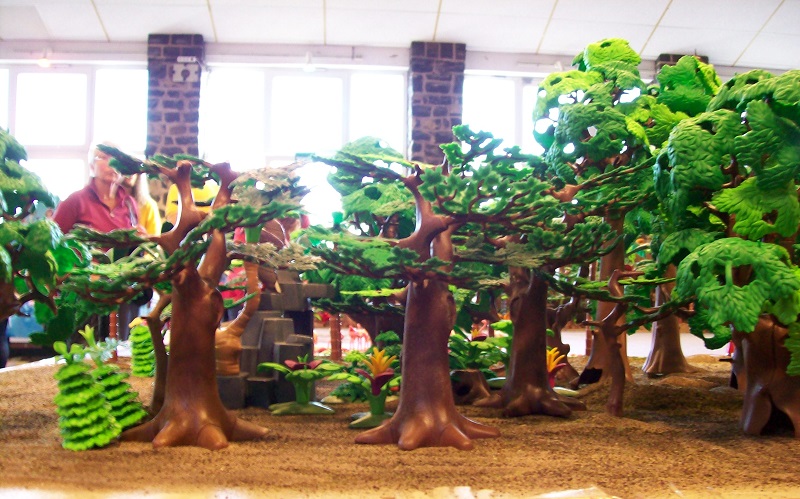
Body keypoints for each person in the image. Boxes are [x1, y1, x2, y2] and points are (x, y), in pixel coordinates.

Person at [52, 142, 141, 341]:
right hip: (85, 293)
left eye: (115, 158)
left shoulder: (130, 204)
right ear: (92, 166)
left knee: (119, 349)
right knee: (83, 349)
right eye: (103, 157)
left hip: (120, 292)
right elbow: (54, 245)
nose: (111, 163)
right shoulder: (76, 201)